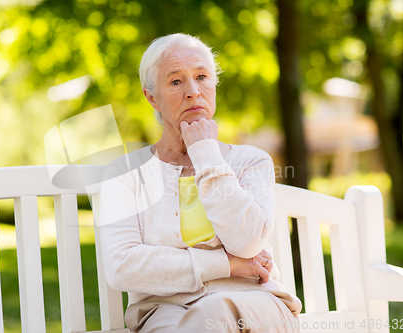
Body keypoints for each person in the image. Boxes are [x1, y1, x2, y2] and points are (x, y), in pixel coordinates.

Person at [97, 33, 302, 333]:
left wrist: (206, 153)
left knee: (214, 313)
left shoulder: (251, 161)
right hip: (165, 310)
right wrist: (228, 265)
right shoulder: (126, 173)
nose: (193, 91)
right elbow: (122, 266)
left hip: (255, 304)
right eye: (176, 82)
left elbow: (248, 242)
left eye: (202, 77)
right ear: (151, 96)